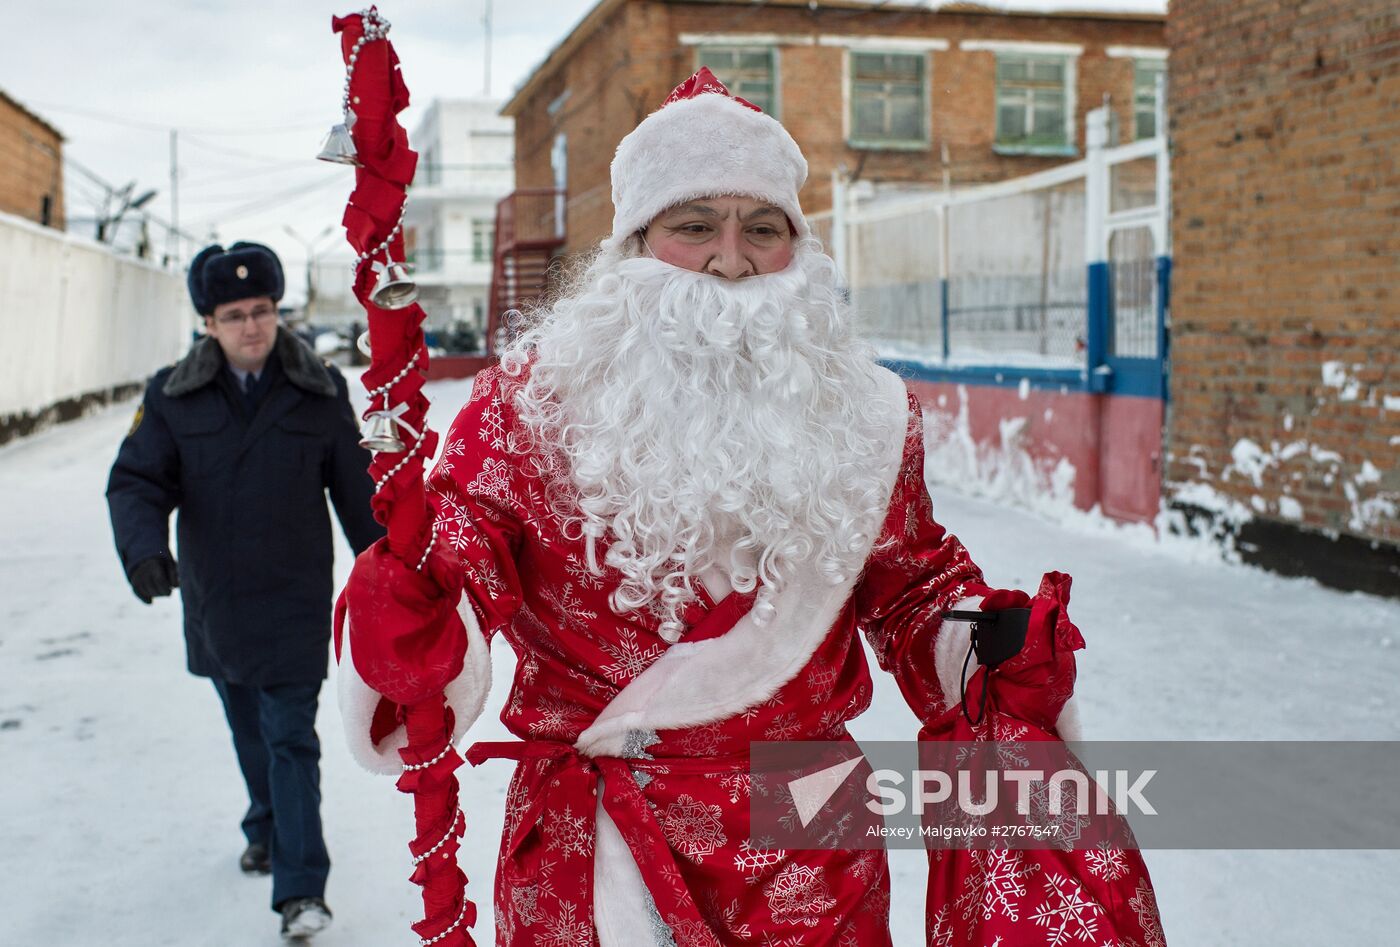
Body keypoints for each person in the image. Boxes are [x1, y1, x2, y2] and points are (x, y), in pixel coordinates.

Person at [339, 69, 1164, 945]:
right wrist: (414, 608)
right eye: (695, 226)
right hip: (596, 850)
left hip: (807, 845)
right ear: (636, 244)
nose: (730, 257)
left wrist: (976, 641)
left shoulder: (869, 415)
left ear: (796, 248)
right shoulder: (527, 405)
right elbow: (458, 560)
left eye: (761, 228)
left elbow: (910, 584)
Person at [106, 241, 383, 941]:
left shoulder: (318, 389)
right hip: (216, 601)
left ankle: (300, 888)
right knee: (247, 727)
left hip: (293, 600)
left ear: (276, 311)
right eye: (234, 314)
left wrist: (391, 573)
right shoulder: (173, 394)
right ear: (209, 323)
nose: (252, 325)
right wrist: (143, 551)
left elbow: (358, 495)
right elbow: (137, 481)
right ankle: (266, 822)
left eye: (262, 310)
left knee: (290, 735)